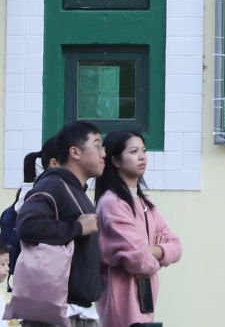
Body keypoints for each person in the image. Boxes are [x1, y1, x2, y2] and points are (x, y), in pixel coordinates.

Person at [15, 122, 105, 327]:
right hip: (56, 312)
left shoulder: (76, 190)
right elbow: (28, 225)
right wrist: (77, 228)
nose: (103, 154)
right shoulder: (53, 185)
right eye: (97, 145)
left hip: (77, 310)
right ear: (75, 152)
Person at [95, 130, 181, 327]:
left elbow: (177, 246)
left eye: (143, 150)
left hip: (145, 297)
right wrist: (159, 256)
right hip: (120, 298)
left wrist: (151, 251)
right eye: (133, 151)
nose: (142, 157)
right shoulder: (112, 203)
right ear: (115, 160)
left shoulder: (145, 203)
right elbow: (137, 260)